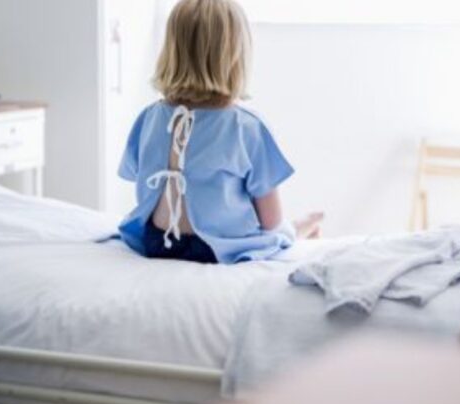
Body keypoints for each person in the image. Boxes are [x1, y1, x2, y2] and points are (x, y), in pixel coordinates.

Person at [118, 0, 322, 264]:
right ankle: (302, 228)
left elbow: (136, 177)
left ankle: (303, 226)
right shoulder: (246, 127)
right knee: (282, 232)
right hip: (215, 248)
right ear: (235, 57)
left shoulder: (149, 118)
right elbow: (270, 221)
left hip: (157, 242)